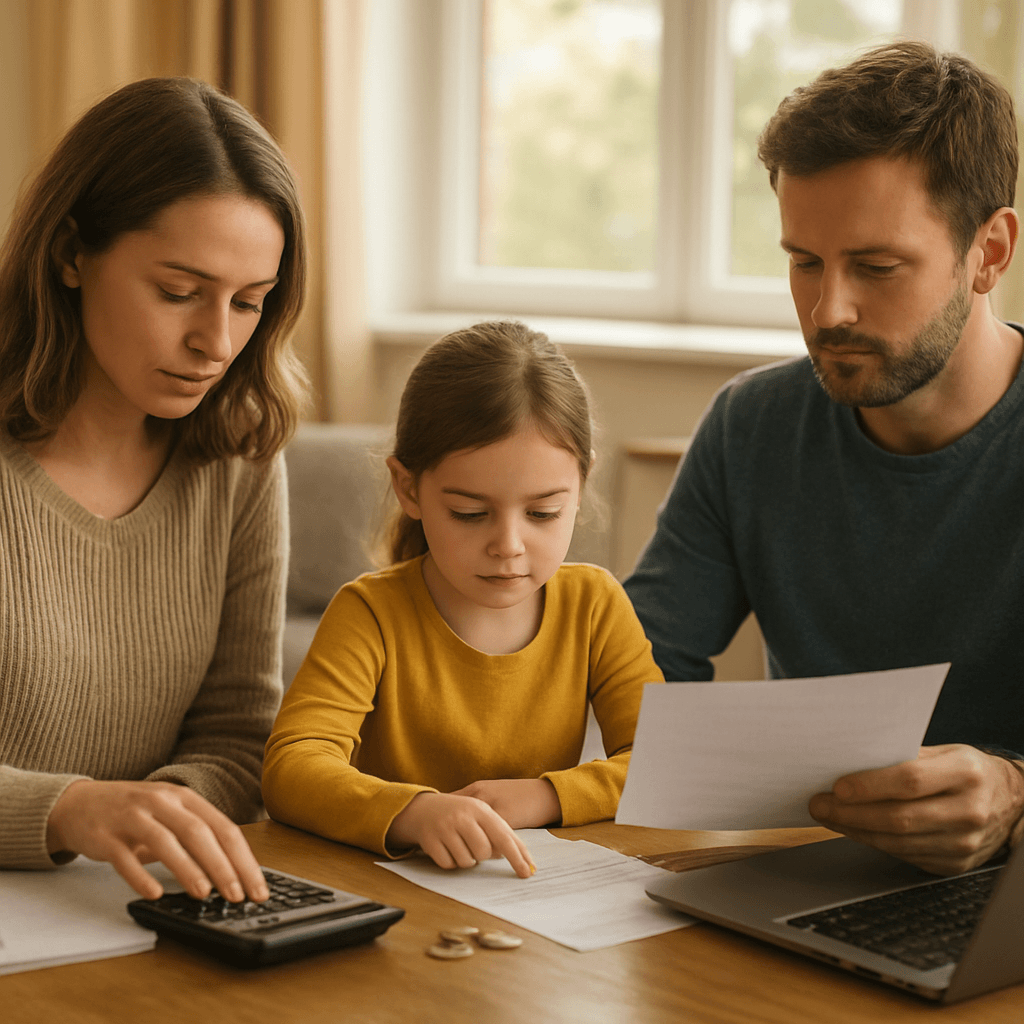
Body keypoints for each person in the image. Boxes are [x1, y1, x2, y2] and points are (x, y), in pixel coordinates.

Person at [624, 41, 1024, 876]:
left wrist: (1015, 795)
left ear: (989, 252)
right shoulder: (750, 425)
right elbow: (634, 675)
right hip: (808, 876)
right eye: (803, 262)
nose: (827, 309)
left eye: (876, 267)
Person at [0, 77, 308, 903]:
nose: (217, 343)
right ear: (71, 253)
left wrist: (159, 817)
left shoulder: (240, 457)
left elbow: (237, 738)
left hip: (125, 901)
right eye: (178, 292)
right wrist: (68, 810)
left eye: (249, 303)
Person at [263, 321, 663, 876]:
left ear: (581, 484)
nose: (508, 545)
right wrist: (413, 812)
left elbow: (662, 766)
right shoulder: (371, 613)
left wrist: (545, 796)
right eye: (470, 514)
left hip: (533, 893)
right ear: (409, 488)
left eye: (543, 513)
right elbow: (292, 768)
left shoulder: (596, 605)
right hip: (397, 891)